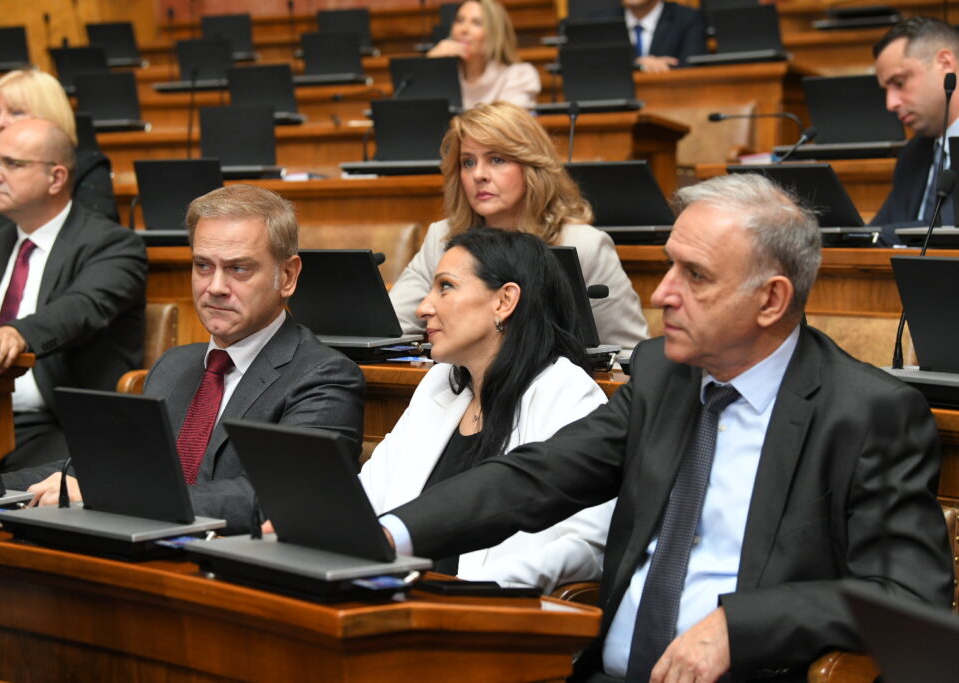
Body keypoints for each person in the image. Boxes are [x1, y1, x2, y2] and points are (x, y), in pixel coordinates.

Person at [382, 173, 954, 682]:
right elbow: (539, 476)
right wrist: (390, 535)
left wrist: (740, 626)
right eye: (669, 265)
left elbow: (908, 596)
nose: (662, 294)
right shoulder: (663, 374)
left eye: (695, 276)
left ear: (771, 300)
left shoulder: (865, 412)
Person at [9, 185, 366, 535]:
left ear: (286, 276)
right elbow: (102, 467)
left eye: (239, 269)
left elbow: (275, 499)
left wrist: (111, 497)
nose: (215, 287)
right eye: (203, 265)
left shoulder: (323, 377)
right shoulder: (173, 365)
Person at [362, 227, 613, 591]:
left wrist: (467, 591)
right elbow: (367, 497)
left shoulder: (566, 393)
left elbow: (587, 547)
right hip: (398, 599)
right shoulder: (439, 383)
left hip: (488, 610)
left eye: (446, 287)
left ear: (504, 301)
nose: (423, 308)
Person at [0, 118, 146, 471]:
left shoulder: (113, 245)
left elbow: (82, 308)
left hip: (60, 426)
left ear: (56, 178)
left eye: (11, 164)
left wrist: (16, 334)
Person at [390, 101, 648, 350]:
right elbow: (393, 328)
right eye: (468, 162)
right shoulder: (443, 239)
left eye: (496, 160)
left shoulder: (584, 245)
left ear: (532, 166)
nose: (478, 175)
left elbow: (628, 352)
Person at [0, 69, 117, 222]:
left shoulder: (87, 168)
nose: (0, 123)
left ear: (49, 115)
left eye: (16, 112)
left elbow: (96, 230)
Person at [872, 17, 959, 244]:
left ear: (945, 64)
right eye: (886, 90)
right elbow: (877, 235)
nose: (891, 103)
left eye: (899, 83)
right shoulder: (913, 154)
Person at [427, 0, 541, 109]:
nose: (464, 29)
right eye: (459, 20)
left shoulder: (518, 76)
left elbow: (509, 122)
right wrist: (429, 65)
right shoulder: (443, 76)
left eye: (476, 23)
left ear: (495, 32)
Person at [624, 0, 707, 73]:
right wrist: (639, 64)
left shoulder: (687, 18)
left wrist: (661, 67)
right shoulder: (615, 17)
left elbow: (693, 66)